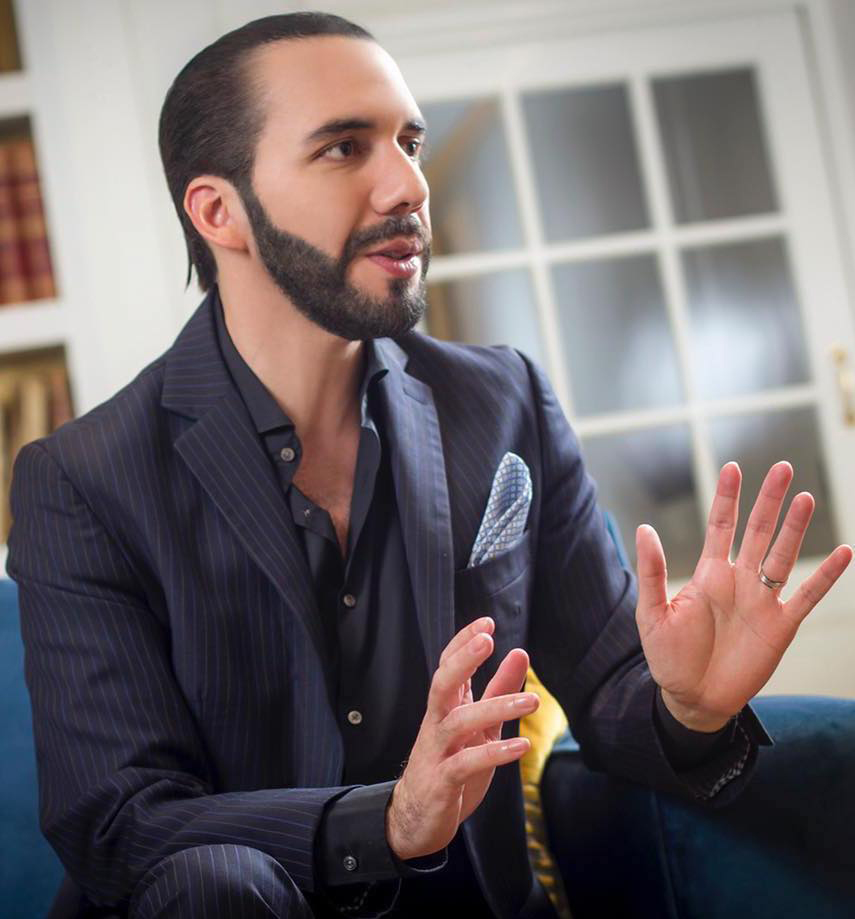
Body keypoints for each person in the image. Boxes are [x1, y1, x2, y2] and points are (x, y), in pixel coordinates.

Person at [6, 12, 852, 919]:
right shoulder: (81, 480)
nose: (408, 183)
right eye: (343, 148)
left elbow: (609, 686)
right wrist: (384, 822)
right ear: (220, 212)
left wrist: (689, 706)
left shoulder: (504, 399)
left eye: (408, 142)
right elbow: (121, 823)